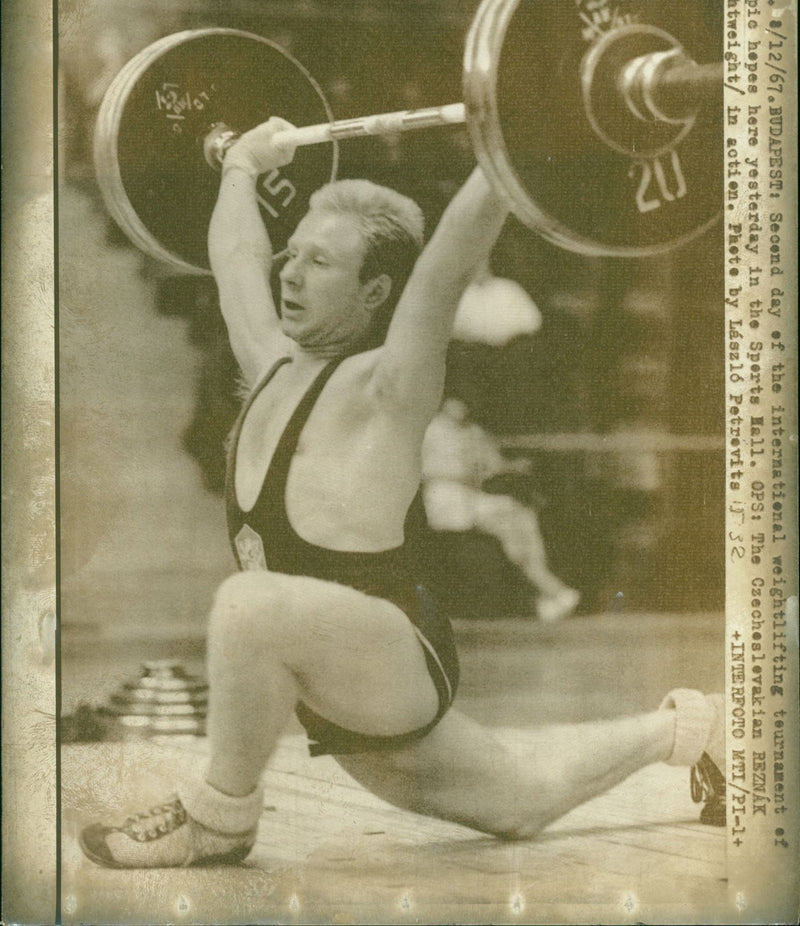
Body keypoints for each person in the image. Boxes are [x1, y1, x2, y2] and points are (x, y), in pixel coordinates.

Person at [80, 118, 724, 869]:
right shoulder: (273, 366)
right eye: (293, 253)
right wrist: (241, 166)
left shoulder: (391, 386)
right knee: (520, 801)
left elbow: (446, 267)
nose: (289, 273)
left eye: (319, 263)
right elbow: (235, 257)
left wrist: (504, 146)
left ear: (374, 290)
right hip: (332, 676)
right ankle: (696, 728)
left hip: (389, 655)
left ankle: (220, 817)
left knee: (246, 605)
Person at [422, 398, 580, 622]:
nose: (461, 407)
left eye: (465, 401)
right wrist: (464, 473)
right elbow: (424, 471)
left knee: (523, 516)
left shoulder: (473, 431)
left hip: (472, 498)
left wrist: (513, 466)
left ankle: (547, 587)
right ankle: (553, 591)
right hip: (446, 500)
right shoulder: (429, 429)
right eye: (455, 400)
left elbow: (492, 465)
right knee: (509, 520)